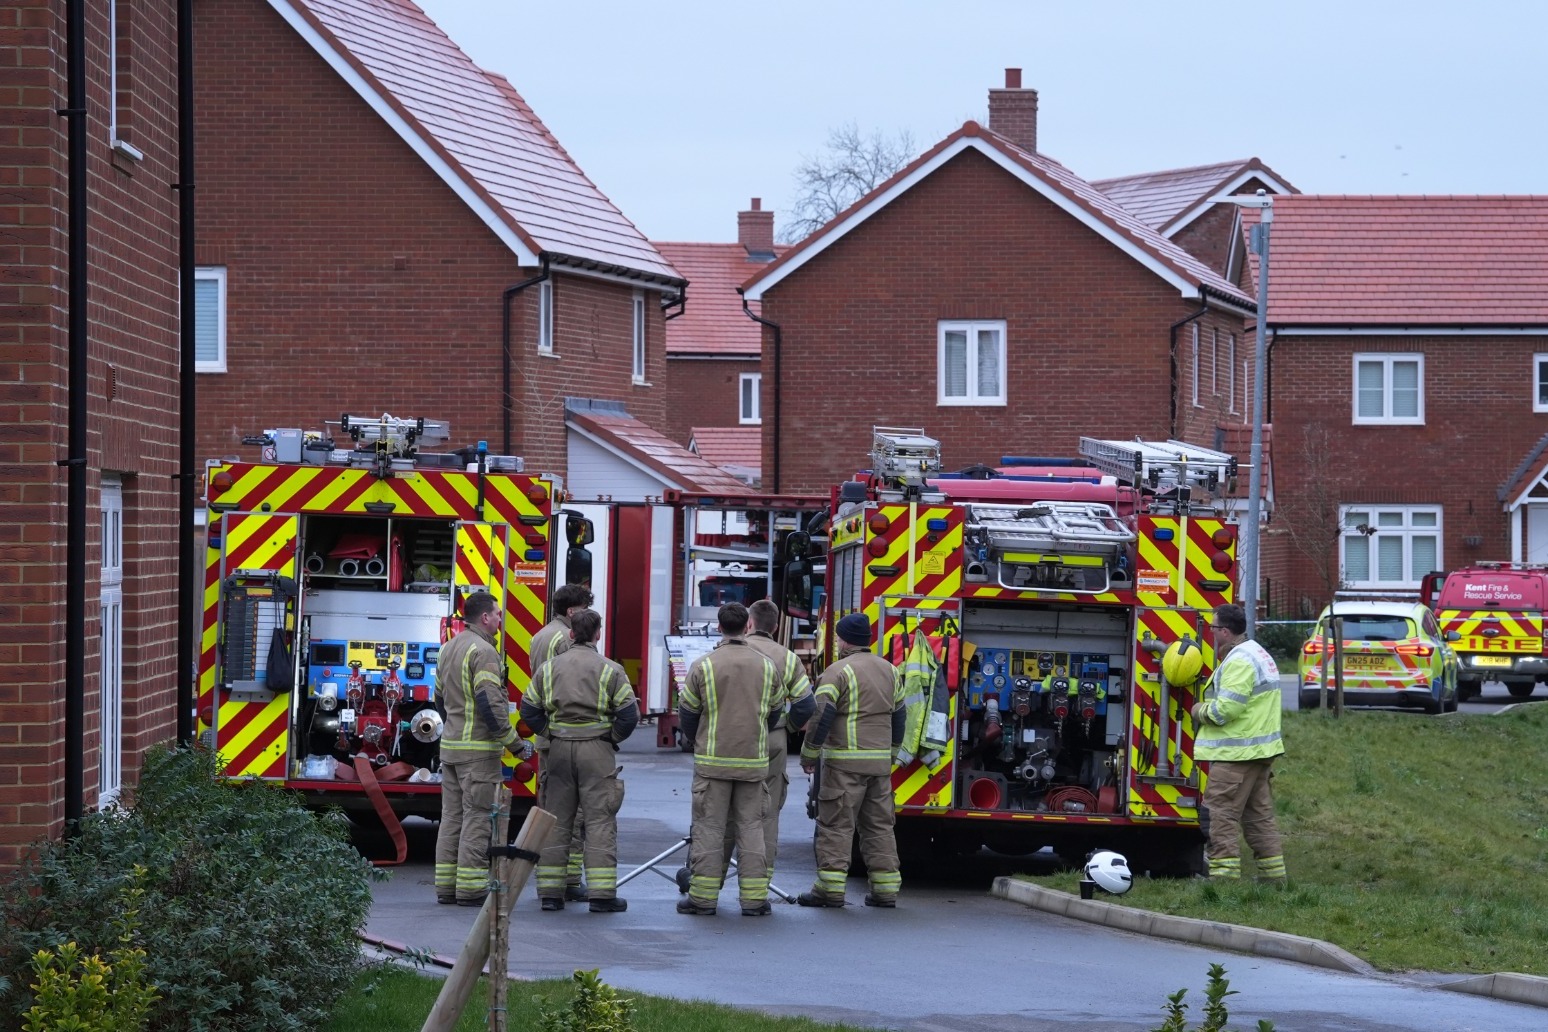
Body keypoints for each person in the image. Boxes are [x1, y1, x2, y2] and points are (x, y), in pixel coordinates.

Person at [520, 609, 638, 912]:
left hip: (559, 749)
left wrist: (551, 732)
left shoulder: (548, 669)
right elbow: (629, 714)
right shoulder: (611, 670)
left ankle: (549, 893)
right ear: (597, 634)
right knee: (599, 820)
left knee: (557, 820)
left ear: (571, 634)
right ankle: (601, 896)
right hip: (596, 750)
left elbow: (529, 709)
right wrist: (610, 738)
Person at [676, 603, 780, 917]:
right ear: (747, 625)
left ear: (719, 627)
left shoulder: (703, 665)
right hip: (753, 761)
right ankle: (754, 901)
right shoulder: (766, 665)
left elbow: (688, 714)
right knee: (751, 828)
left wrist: (698, 741)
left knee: (709, 829)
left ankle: (703, 900)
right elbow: (775, 713)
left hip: (712, 762)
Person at [798, 612, 907, 908]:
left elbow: (821, 717)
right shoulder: (890, 670)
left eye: (837, 637)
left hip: (845, 765)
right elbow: (899, 716)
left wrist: (808, 755)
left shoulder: (837, 672)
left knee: (836, 826)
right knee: (879, 827)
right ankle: (885, 891)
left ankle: (830, 890)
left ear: (844, 641)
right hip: (879, 765)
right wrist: (893, 753)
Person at [434, 590, 533, 907]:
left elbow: (439, 700)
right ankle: (471, 888)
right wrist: (515, 745)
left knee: (451, 819)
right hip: (477, 755)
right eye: (498, 614)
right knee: (478, 819)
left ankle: (446, 887)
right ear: (485, 618)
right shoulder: (484, 652)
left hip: (450, 748)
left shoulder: (449, 648)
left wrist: (454, 725)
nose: (501, 619)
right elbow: (491, 706)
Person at [718, 599, 815, 885]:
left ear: (749, 623)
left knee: (719, 815)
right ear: (774, 627)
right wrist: (788, 727)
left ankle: (707, 883)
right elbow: (805, 705)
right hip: (772, 738)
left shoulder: (721, 654)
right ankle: (758, 886)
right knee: (766, 814)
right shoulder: (787, 657)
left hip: (725, 738)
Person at [1191, 602, 1287, 882]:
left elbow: (1225, 711)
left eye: (1212, 627)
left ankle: (1222, 881)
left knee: (1218, 815)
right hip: (1257, 754)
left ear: (1223, 631)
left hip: (1236, 755)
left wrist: (1199, 711)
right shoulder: (1256, 653)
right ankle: (1274, 879)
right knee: (1259, 818)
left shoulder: (1239, 661)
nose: (1210, 633)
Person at [530, 582, 594, 902]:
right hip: (568, 735)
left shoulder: (539, 636)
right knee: (573, 811)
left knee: (550, 807)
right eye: (584, 609)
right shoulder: (567, 640)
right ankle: (568, 879)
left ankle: (549, 877)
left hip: (547, 735)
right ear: (572, 611)